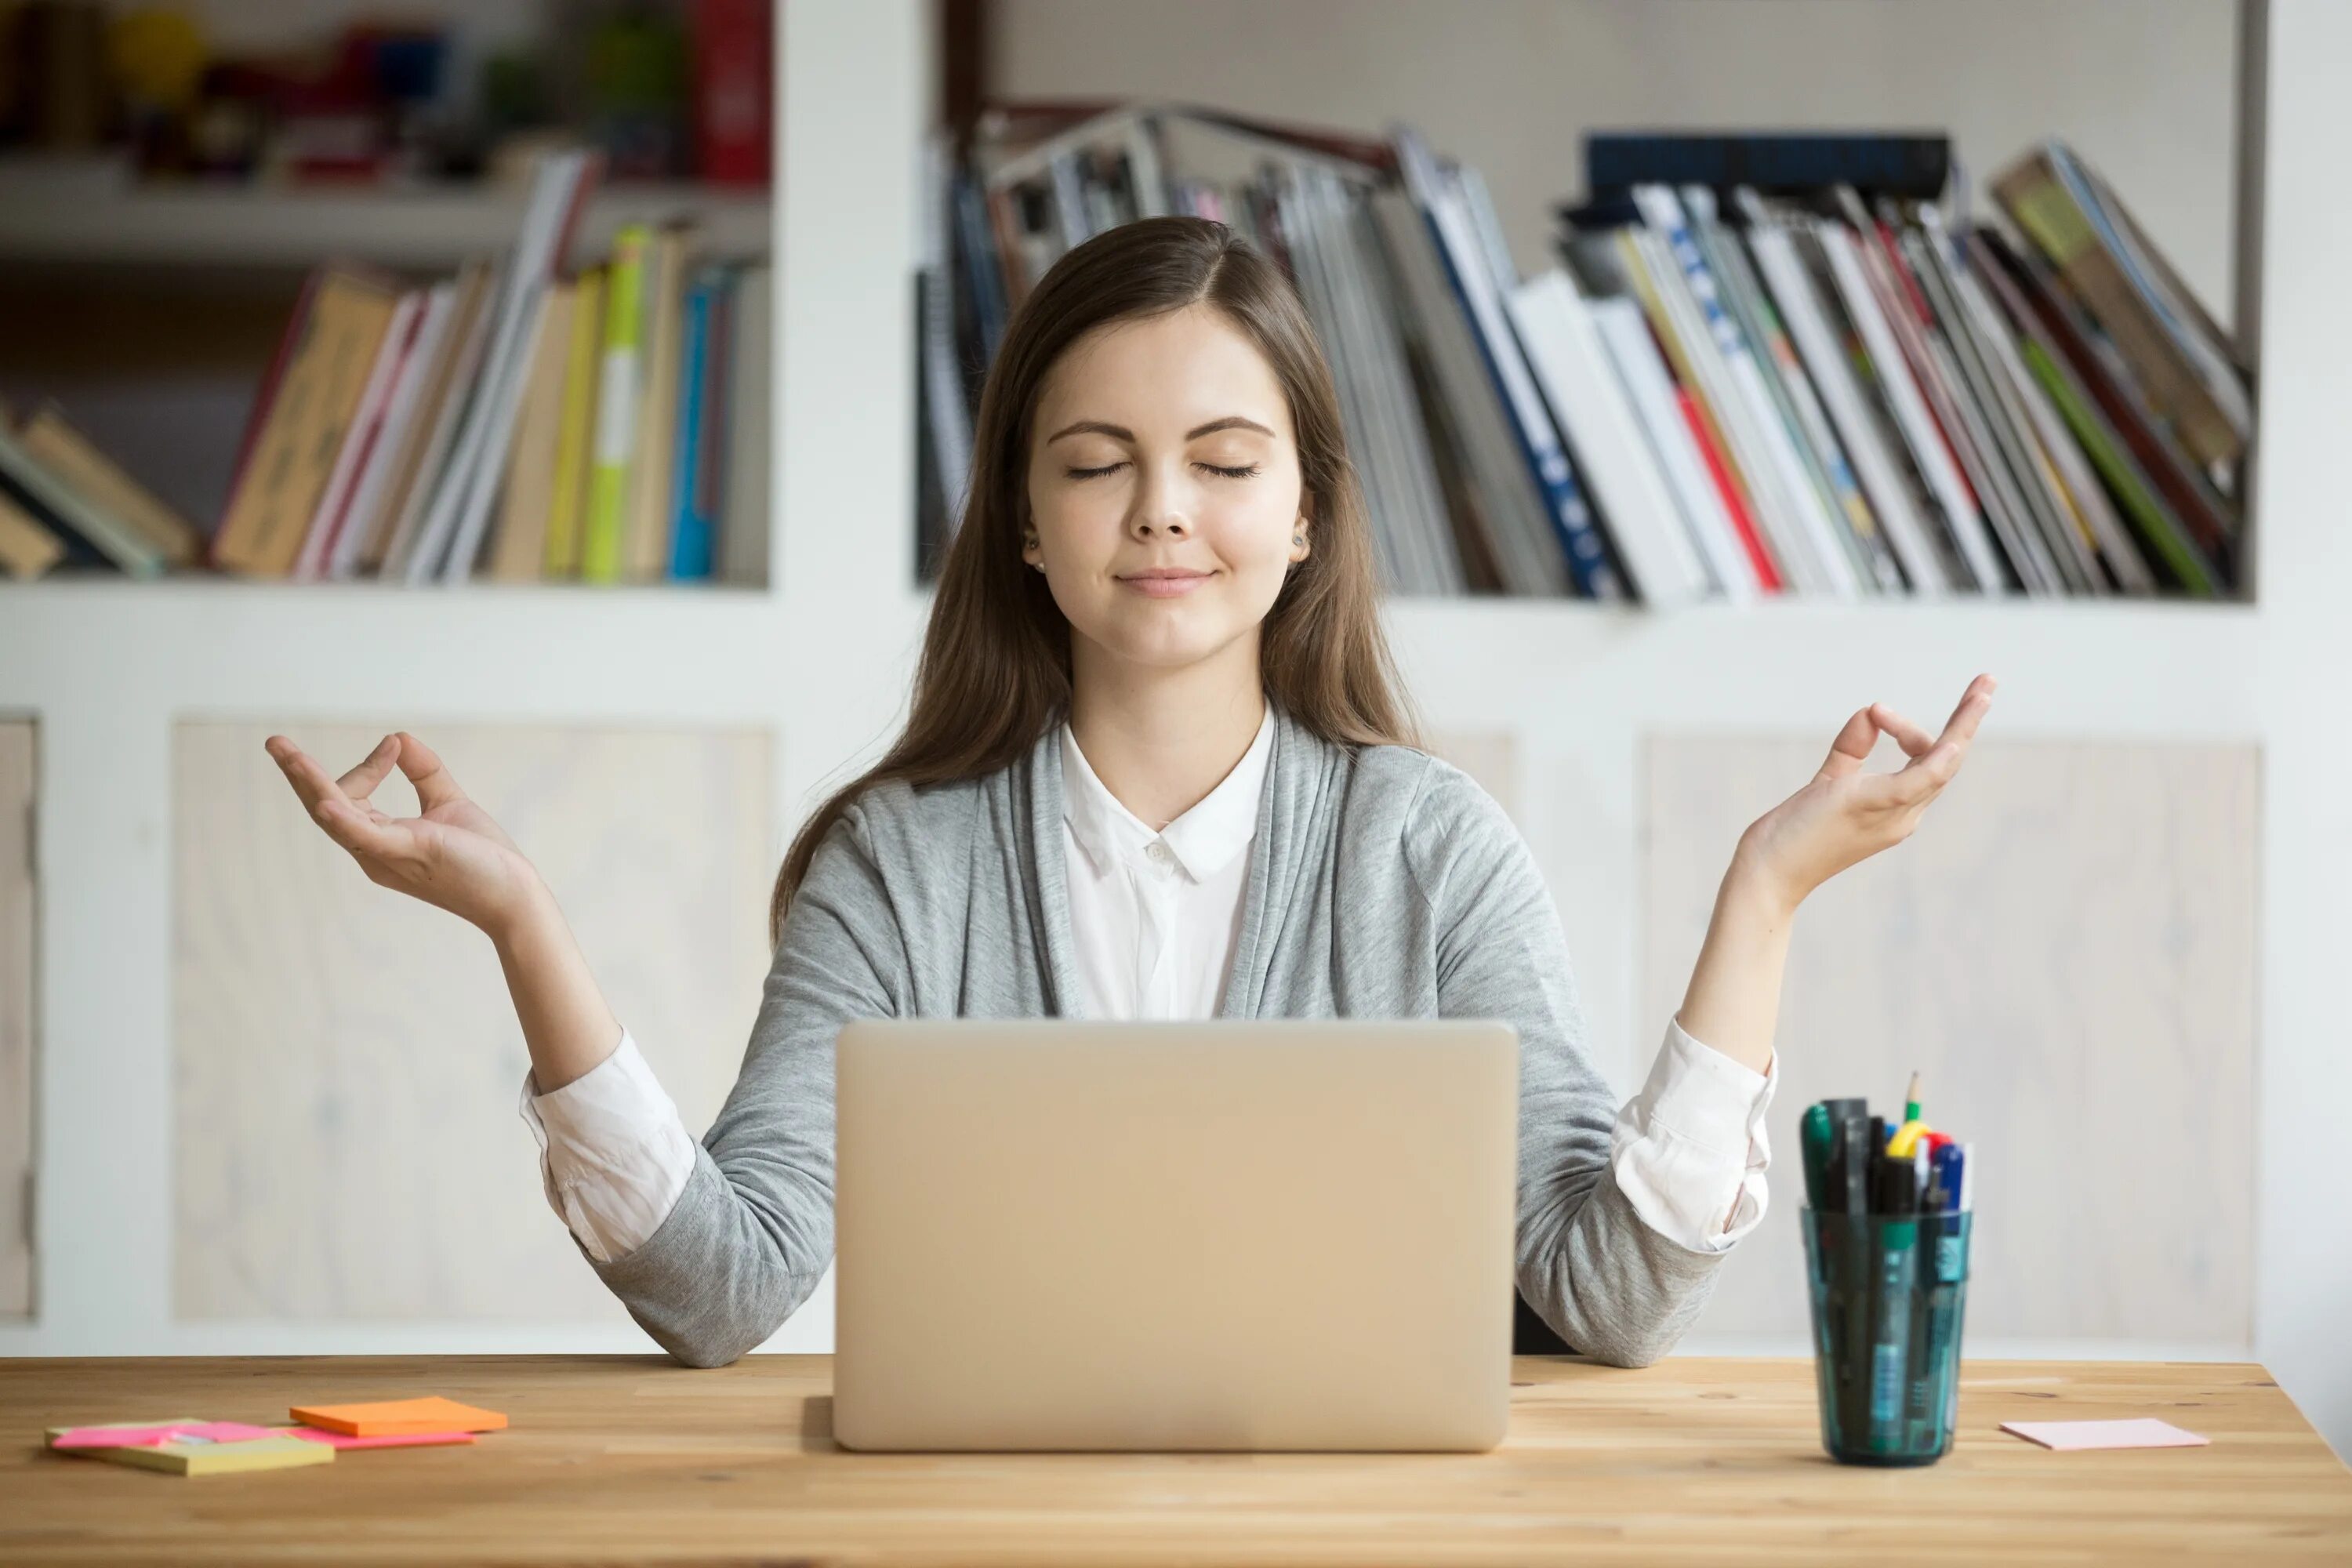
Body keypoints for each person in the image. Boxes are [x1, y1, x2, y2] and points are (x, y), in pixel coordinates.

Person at [266, 216, 1993, 1370]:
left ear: (1305, 511)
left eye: (1225, 466)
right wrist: (523, 923)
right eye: (1098, 466)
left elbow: (1606, 1300)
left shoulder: (1430, 851)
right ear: (1025, 520)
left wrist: (1762, 895)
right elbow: (724, 1292)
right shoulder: (902, 865)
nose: (1163, 511)